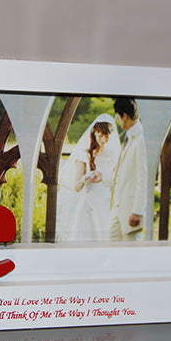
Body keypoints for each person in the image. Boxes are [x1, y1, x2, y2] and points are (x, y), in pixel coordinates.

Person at [57, 113, 120, 242]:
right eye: (100, 136)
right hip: (89, 202)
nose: (103, 140)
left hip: (107, 202)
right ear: (94, 133)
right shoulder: (84, 155)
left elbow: (117, 180)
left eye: (106, 136)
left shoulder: (114, 155)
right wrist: (85, 178)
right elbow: (76, 187)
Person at [109, 97, 147, 241]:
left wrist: (137, 211)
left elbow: (144, 178)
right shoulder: (129, 137)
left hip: (131, 211)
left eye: (118, 117)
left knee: (131, 253)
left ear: (124, 116)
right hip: (118, 209)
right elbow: (122, 174)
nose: (118, 121)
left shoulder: (141, 140)